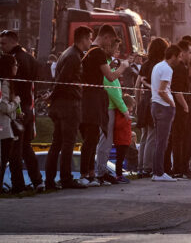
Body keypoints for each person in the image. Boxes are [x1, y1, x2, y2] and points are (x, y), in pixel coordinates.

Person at [80, 24, 130, 187]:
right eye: (110, 41)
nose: (110, 45)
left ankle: (91, 174)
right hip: (93, 100)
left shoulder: (90, 52)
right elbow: (110, 77)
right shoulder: (98, 52)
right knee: (91, 139)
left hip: (89, 98)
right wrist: (123, 67)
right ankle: (86, 174)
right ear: (106, 37)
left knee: (93, 138)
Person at [45, 26, 93, 190]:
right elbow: (63, 81)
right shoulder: (74, 57)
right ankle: (66, 178)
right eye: (89, 38)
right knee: (67, 143)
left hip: (60, 105)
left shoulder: (67, 53)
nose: (91, 42)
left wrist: (52, 96)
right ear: (83, 39)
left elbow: (59, 80)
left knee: (57, 143)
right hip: (69, 105)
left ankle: (50, 180)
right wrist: (52, 95)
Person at [0, 30, 44, 191]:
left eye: (3, 43)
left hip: (16, 109)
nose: (1, 46)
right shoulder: (30, 58)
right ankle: (37, 180)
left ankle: (18, 184)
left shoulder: (12, 59)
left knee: (14, 151)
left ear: (13, 42)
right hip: (29, 107)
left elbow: (11, 87)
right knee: (26, 148)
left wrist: (15, 103)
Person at [95, 38, 129, 185]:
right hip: (108, 108)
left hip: (110, 108)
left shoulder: (109, 65)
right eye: (116, 49)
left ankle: (102, 170)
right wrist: (125, 110)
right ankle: (101, 171)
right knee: (105, 142)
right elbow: (113, 91)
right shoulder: (106, 66)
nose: (117, 52)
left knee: (106, 142)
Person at [135, 38, 169, 178]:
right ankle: (148, 167)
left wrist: (137, 103)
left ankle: (140, 166)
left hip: (144, 101)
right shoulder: (161, 66)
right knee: (152, 135)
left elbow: (137, 85)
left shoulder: (145, 64)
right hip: (155, 101)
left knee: (144, 135)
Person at [151, 44, 181, 182]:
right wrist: (172, 103)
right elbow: (162, 90)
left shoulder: (158, 66)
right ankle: (159, 172)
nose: (180, 60)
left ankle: (156, 171)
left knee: (159, 141)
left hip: (155, 105)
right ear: (173, 56)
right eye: (179, 57)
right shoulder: (167, 69)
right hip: (163, 107)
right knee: (162, 142)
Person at [167, 40, 191, 178]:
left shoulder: (182, 68)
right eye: (190, 52)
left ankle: (181, 167)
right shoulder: (180, 69)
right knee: (180, 139)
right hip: (179, 109)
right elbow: (177, 91)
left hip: (180, 107)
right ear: (182, 53)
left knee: (183, 138)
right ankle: (179, 168)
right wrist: (185, 106)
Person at [0, 54, 23, 193]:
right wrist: (16, 101)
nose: (17, 67)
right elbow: (3, 107)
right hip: (4, 128)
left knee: (4, 160)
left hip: (6, 126)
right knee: (3, 160)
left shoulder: (8, 82)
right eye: (15, 64)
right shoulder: (5, 83)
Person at [113, 95, 135, 184]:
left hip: (124, 140)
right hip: (120, 140)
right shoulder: (121, 114)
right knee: (120, 159)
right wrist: (127, 119)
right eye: (131, 107)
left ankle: (120, 174)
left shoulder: (125, 114)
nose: (132, 109)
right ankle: (118, 175)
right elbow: (118, 125)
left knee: (122, 159)